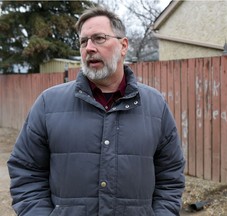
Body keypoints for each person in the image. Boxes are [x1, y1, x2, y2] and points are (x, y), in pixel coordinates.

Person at [7, 5, 185, 216]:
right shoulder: (48, 104)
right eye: (83, 41)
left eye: (99, 38)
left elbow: (170, 177)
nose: (89, 48)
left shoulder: (155, 106)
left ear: (124, 45)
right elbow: (26, 173)